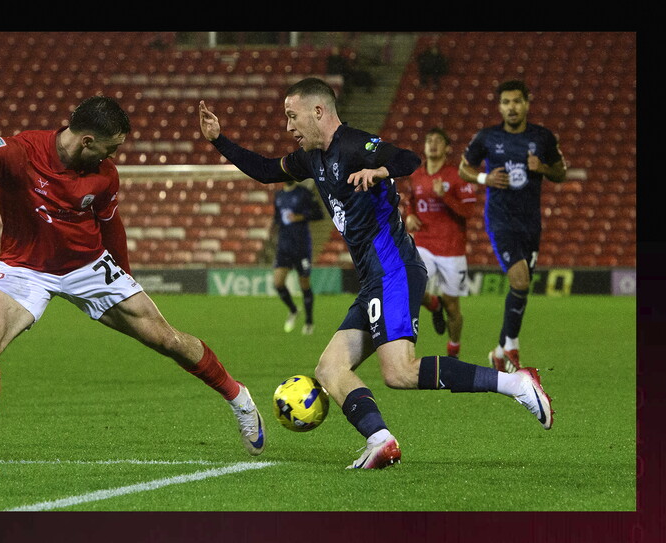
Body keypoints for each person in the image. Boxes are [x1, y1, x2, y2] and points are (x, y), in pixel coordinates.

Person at [198, 77, 553, 470]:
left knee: (400, 371)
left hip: (394, 269)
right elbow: (266, 170)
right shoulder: (311, 157)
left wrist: (381, 170)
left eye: (292, 116)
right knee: (330, 369)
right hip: (374, 278)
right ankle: (380, 440)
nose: (288, 127)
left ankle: (517, 384)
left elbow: (407, 160)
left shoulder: (353, 145)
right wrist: (219, 140)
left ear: (318, 112)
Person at [0, 96, 266, 479]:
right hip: (25, 269)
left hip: (88, 266)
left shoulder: (105, 174)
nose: (114, 155)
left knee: (167, 339)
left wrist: (125, 278)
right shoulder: (21, 151)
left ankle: (238, 397)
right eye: (112, 147)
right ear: (87, 141)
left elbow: (112, 227)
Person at [458, 80, 567, 373]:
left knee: (523, 287)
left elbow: (561, 172)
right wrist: (484, 179)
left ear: (527, 103)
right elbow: (463, 168)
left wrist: (542, 168)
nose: (512, 107)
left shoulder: (542, 137)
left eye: (517, 101)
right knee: (519, 281)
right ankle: (511, 348)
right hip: (501, 220)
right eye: (506, 102)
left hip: (531, 223)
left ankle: (500, 350)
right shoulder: (488, 137)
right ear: (500, 106)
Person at [402, 128, 478, 357]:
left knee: (452, 306)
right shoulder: (417, 175)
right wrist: (410, 215)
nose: (432, 144)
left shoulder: (457, 175)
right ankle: (432, 305)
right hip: (424, 243)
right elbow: (411, 202)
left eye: (438, 141)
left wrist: (444, 195)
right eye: (429, 140)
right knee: (409, 287)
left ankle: (453, 347)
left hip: (451, 249)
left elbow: (468, 211)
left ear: (447, 148)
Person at [271, 179, 323, 335]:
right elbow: (277, 218)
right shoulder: (279, 195)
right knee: (278, 283)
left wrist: (300, 217)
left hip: (301, 245)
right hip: (284, 245)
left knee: (304, 283)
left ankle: (308, 322)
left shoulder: (303, 193)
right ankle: (293, 310)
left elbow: (318, 213)